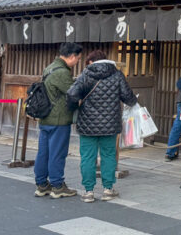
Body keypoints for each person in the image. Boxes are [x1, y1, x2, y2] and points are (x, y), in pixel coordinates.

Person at [67, 50, 137, 203]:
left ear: (92, 62)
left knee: (87, 157)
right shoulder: (117, 74)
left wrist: (74, 108)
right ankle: (107, 189)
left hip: (87, 124)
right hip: (110, 125)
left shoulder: (85, 74)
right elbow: (129, 98)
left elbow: (72, 94)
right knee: (108, 156)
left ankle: (88, 191)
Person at [33, 42, 81, 199]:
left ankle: (41, 185)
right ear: (72, 56)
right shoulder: (62, 73)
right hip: (58, 119)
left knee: (43, 152)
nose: (77, 62)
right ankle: (57, 186)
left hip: (45, 117)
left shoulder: (49, 68)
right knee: (57, 153)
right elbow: (74, 93)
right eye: (78, 59)